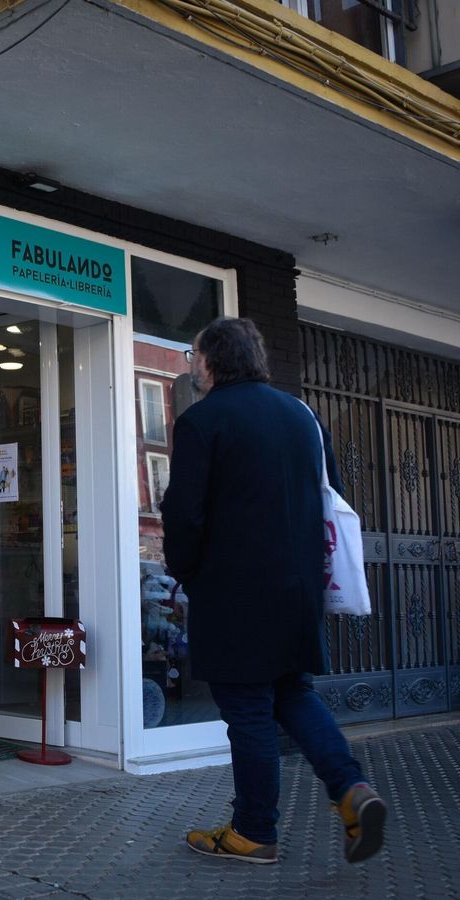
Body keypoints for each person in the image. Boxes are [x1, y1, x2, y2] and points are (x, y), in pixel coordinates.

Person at [159, 317, 386, 866]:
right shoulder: (303, 417)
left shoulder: (201, 421)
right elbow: (329, 497)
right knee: (292, 692)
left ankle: (254, 831)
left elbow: (184, 514)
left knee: (247, 711)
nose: (191, 366)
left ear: (212, 361)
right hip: (298, 589)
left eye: (193, 356)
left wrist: (184, 572)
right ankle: (351, 790)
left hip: (233, 592)